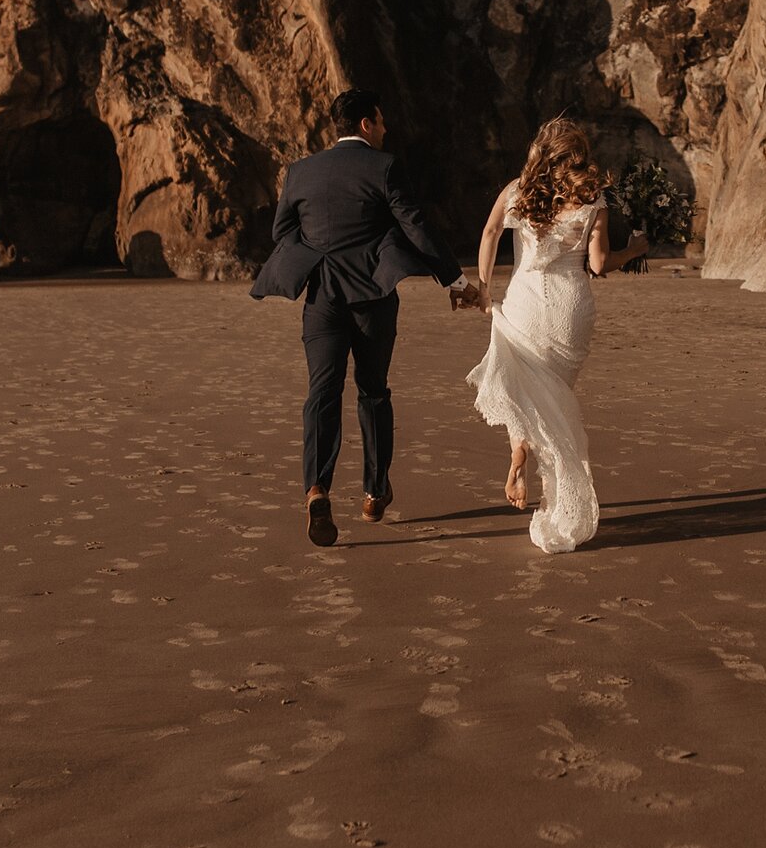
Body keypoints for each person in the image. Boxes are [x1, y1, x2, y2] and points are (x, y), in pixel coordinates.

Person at [251, 89, 482, 547]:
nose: (384, 128)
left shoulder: (301, 171)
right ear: (363, 125)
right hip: (374, 298)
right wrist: (455, 282)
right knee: (373, 392)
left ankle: (317, 488)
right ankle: (375, 491)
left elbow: (282, 232)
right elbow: (415, 223)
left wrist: (319, 257)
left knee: (322, 391)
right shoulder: (384, 167)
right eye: (379, 121)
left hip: (323, 301)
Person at [462, 117, 647, 553]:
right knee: (553, 395)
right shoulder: (592, 197)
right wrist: (636, 250)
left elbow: (490, 233)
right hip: (571, 310)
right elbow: (598, 265)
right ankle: (549, 478)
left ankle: (518, 455)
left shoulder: (519, 191)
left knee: (527, 389)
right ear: (577, 154)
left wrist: (485, 287)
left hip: (526, 301)